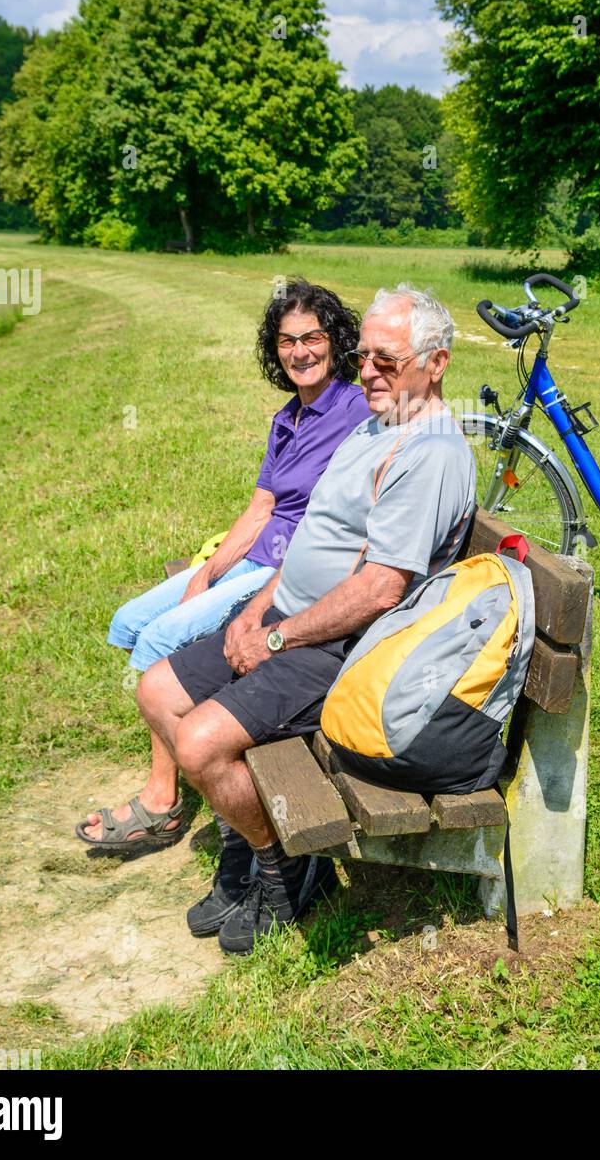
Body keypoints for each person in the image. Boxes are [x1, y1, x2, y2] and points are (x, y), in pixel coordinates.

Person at [133, 284, 476, 951]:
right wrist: (255, 609)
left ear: (436, 364)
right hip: (287, 617)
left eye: (388, 360)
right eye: (365, 355)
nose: (368, 371)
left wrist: (278, 635)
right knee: (157, 692)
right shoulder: (378, 426)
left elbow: (379, 588)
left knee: (202, 744)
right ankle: (244, 846)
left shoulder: (428, 451)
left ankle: (286, 864)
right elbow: (313, 537)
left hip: (341, 649)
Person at [76, 280, 370, 850]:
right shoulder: (289, 418)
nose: (301, 352)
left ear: (335, 342)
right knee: (130, 621)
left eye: (312, 338)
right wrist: (205, 573)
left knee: (161, 640)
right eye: (287, 342)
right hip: (254, 560)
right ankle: (181, 771)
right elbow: (261, 506)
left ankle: (163, 799)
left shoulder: (355, 410)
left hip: (284, 577)